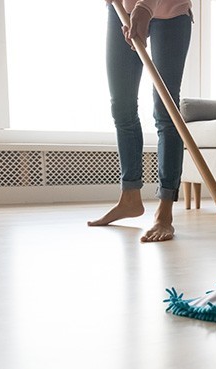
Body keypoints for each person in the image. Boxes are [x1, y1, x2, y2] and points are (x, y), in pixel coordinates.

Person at [88, 0, 193, 242]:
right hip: (122, 9)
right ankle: (130, 198)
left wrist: (145, 7)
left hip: (171, 13)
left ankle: (164, 212)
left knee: (166, 110)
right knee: (121, 106)